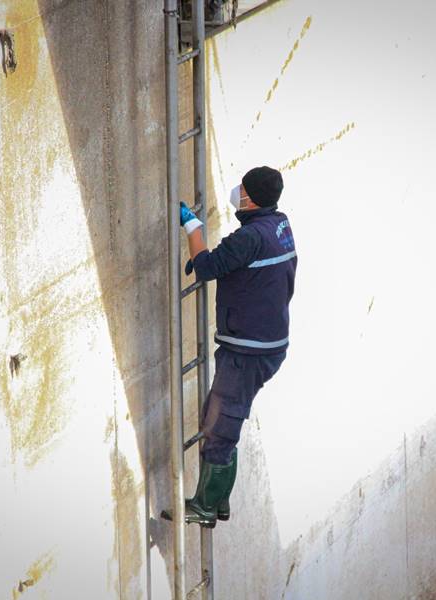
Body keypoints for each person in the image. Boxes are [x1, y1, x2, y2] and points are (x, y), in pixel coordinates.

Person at [162, 166, 297, 528]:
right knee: (222, 416)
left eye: (243, 188)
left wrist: (190, 225)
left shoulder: (248, 239)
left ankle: (205, 506)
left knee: (221, 425)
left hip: (247, 350)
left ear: (251, 198)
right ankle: (219, 501)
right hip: (267, 344)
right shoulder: (280, 226)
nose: (237, 191)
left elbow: (206, 267)